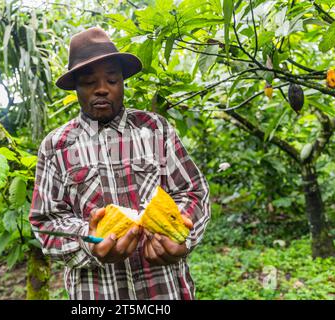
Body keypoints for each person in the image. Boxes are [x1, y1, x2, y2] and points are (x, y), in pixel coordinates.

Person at [29, 27, 211, 300]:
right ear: (76, 87)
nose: (102, 89)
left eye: (112, 80)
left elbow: (193, 191)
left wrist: (179, 235)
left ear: (123, 83)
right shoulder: (56, 146)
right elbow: (46, 222)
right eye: (90, 82)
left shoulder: (155, 130)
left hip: (163, 291)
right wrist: (89, 240)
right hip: (97, 293)